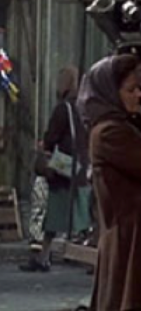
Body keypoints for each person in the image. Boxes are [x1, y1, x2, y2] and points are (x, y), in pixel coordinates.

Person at [77, 54, 141, 311]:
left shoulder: (122, 128)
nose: (139, 96)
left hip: (130, 244)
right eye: (132, 89)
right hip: (130, 246)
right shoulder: (111, 133)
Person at [20, 66, 92, 272]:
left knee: (59, 216)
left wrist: (45, 147)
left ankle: (47, 257)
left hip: (64, 169)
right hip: (79, 168)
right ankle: (44, 256)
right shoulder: (80, 107)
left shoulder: (62, 109)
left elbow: (52, 136)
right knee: (75, 215)